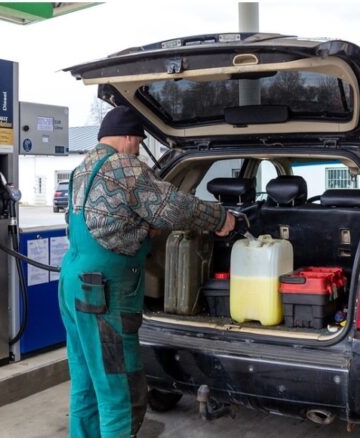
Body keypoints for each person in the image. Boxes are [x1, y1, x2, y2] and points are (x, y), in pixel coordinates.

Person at [58, 106, 236, 437]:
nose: (138, 151)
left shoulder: (82, 169)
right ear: (128, 137)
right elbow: (174, 207)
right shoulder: (125, 167)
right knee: (121, 394)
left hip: (72, 285)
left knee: (86, 386)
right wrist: (219, 218)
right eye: (139, 143)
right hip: (103, 294)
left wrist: (140, 229)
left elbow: (94, 221)